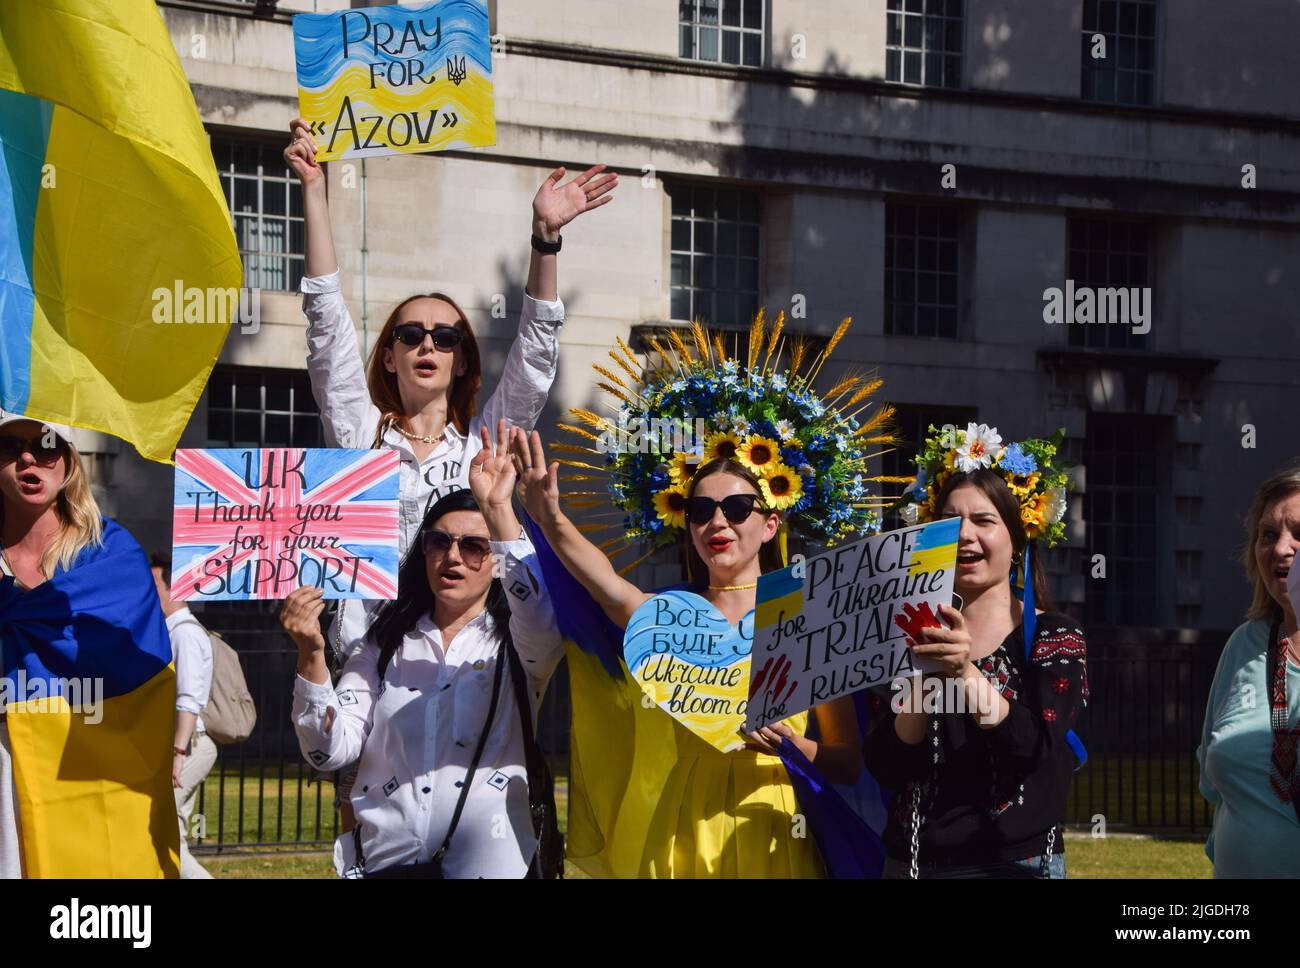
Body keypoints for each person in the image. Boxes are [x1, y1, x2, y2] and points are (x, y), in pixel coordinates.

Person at [283, 120, 614, 828]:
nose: (427, 344)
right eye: (410, 335)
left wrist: (546, 239)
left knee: (474, 822)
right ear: (391, 358)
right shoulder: (358, 440)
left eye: (445, 336)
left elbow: (533, 358)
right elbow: (325, 329)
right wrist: (315, 191)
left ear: (464, 358)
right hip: (375, 652)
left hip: (477, 656)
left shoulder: (483, 451)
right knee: (383, 818)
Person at [513, 427, 864, 877]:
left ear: (770, 524)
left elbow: (848, 762)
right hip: (682, 829)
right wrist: (549, 518)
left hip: (776, 824)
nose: (717, 523)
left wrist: (790, 745)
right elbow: (605, 586)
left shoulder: (810, 618)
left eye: (736, 509)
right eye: (700, 511)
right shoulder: (672, 618)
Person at [281, 423, 563, 877]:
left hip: (492, 864)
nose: (453, 557)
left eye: (474, 547)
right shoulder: (384, 640)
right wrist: (311, 654)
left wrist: (498, 510)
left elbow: (539, 611)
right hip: (388, 864)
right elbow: (326, 752)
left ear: (495, 564)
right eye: (440, 542)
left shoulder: (520, 644)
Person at [864, 424, 1086, 878]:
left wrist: (965, 671)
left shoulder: (1054, 637)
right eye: (950, 521)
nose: (964, 535)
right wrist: (927, 672)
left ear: (1019, 535)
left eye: (984, 521)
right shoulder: (903, 634)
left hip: (1015, 864)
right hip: (912, 864)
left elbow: (1031, 749)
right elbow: (887, 765)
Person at [0, 411, 178, 877]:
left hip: (84, 757)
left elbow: (137, 661)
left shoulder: (110, 550)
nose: (26, 458)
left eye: (43, 444)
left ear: (68, 460)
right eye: (9, 449)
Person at [1197, 460, 1300, 877]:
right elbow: (1211, 774)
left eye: (1299, 533)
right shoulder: (1244, 644)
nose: (1280, 548)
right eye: (1268, 534)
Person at [150, 552, 216, 880]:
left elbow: (188, 699)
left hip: (189, 744)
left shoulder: (184, 633)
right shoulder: (171, 631)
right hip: (182, 744)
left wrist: (177, 754)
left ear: (174, 588)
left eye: (154, 585)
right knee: (171, 834)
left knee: (164, 832)